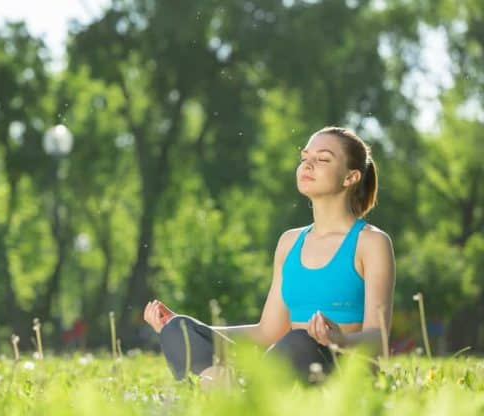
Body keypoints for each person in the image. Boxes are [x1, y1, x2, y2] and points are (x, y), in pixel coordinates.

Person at [143, 126, 396, 382]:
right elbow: (268, 332)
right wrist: (197, 331)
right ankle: (226, 392)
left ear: (350, 177)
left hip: (342, 375)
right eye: (305, 158)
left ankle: (239, 397)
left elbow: (380, 339)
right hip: (285, 365)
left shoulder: (371, 242)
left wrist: (339, 340)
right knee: (180, 329)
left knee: (300, 340)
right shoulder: (289, 242)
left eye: (322, 159)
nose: (308, 165)